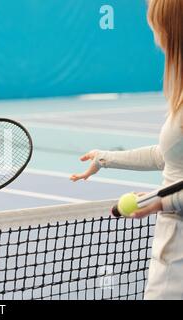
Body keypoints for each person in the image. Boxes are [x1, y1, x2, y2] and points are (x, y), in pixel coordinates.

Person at [70, 0, 183, 299]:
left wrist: (161, 203)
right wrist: (106, 158)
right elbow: (168, 155)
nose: (153, 32)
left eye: (155, 23)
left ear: (170, 29)